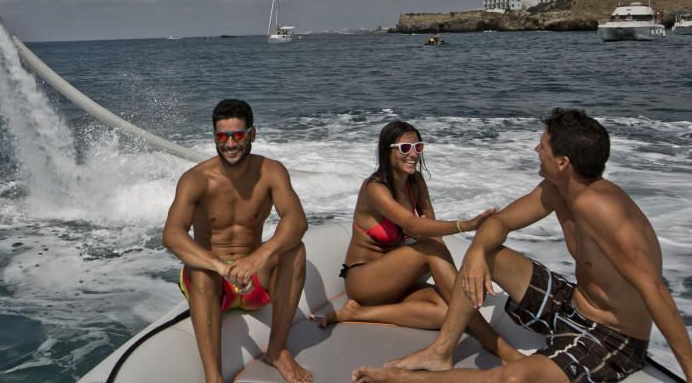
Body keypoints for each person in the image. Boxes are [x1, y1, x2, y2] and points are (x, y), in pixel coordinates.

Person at [353, 108, 692, 383]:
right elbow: (499, 223)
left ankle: (409, 380)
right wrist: (476, 255)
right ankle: (440, 352)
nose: (535, 150)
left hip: (611, 337)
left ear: (563, 162)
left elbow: (654, 290)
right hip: (574, 306)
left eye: (542, 146)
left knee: (514, 379)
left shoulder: (599, 206)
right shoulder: (557, 189)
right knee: (490, 253)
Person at [313, 122, 520, 364]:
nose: (413, 154)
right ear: (387, 150)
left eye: (417, 146)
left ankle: (357, 313)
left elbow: (431, 230)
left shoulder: (416, 182)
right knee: (432, 252)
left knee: (449, 313)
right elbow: (413, 226)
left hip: (397, 282)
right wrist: (466, 225)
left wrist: (457, 276)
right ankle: (493, 342)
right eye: (405, 147)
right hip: (365, 281)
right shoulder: (375, 188)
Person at [162, 99, 312, 383]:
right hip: (213, 284)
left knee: (297, 250)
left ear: (252, 134)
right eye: (222, 136)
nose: (230, 144)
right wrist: (220, 266)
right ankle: (214, 377)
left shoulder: (271, 172)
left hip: (253, 278)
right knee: (201, 272)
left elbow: (297, 220)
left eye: (238, 135)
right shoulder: (196, 179)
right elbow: (172, 234)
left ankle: (278, 351)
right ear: (214, 137)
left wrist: (259, 257)